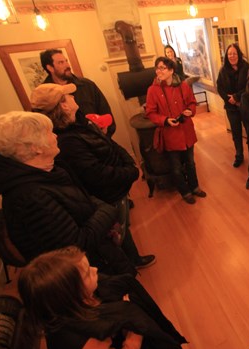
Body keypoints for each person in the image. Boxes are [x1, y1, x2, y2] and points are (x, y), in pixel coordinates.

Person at [0, 111, 136, 276]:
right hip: (89, 274)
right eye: (49, 132)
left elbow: (81, 199)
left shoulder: (47, 170)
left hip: (101, 257)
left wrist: (100, 210)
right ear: (36, 148)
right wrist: (108, 210)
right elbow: (76, 245)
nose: (55, 136)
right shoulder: (29, 197)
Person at [30, 83, 155, 270]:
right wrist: (131, 172)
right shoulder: (67, 141)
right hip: (108, 194)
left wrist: (128, 162)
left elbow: (107, 143)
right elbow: (96, 174)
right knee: (116, 233)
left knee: (123, 226)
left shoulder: (80, 122)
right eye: (68, 96)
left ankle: (134, 259)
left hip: (117, 188)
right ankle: (127, 269)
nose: (74, 97)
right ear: (63, 105)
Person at [18, 246, 187, 349]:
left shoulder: (77, 302)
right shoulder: (76, 342)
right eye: (87, 274)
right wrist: (135, 327)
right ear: (70, 294)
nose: (95, 270)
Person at [145, 56, 206, 205]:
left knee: (191, 163)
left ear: (171, 70)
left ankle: (195, 187)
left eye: (163, 68)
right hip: (170, 133)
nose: (159, 71)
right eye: (157, 68)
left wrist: (189, 111)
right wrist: (165, 120)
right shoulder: (152, 90)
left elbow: (192, 103)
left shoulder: (183, 85)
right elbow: (151, 113)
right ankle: (185, 192)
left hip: (186, 130)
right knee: (176, 167)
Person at [40, 48, 117, 138]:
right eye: (61, 63)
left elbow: (105, 111)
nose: (67, 65)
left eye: (66, 61)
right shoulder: (44, 94)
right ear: (50, 68)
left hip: (99, 140)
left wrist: (105, 137)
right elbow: (45, 126)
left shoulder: (87, 85)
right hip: (69, 145)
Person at [216, 43, 249, 168]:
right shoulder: (223, 70)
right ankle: (239, 155)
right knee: (236, 133)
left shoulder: (246, 67)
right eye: (229, 54)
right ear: (226, 56)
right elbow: (219, 87)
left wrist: (236, 97)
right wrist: (229, 99)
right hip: (231, 108)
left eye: (234, 53)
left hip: (246, 105)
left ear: (239, 54)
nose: (232, 56)